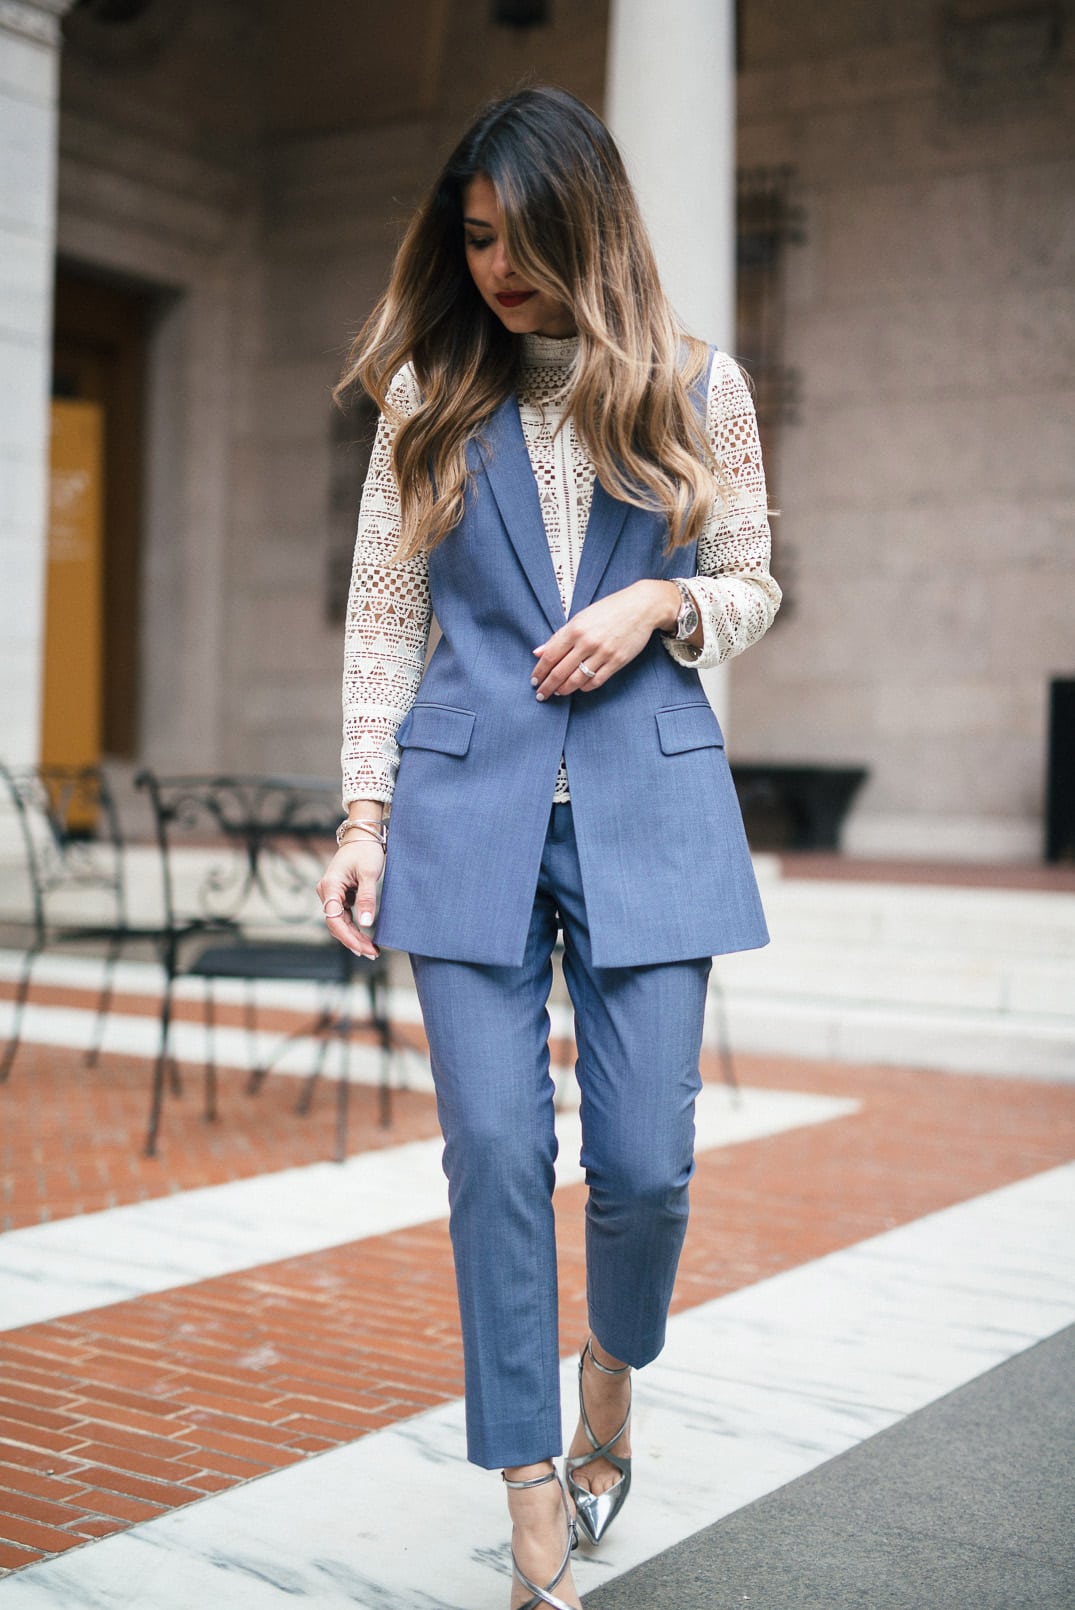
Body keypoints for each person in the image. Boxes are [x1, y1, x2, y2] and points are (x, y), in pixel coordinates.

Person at [317, 83, 780, 1610]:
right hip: (463, 812)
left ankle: (614, 1366)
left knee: (644, 1165)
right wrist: (363, 814)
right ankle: (526, 1492)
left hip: (651, 801)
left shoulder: (700, 389)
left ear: (589, 221)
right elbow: (386, 618)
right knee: (498, 1155)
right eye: (474, 240)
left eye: (522, 240)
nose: (498, 270)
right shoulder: (426, 395)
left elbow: (754, 580)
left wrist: (661, 606)